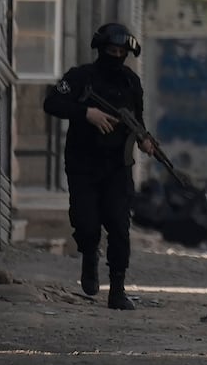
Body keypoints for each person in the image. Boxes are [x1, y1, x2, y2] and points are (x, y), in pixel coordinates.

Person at [43, 22, 155, 311]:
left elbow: (137, 119)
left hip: (117, 166)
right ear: (100, 50)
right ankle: (89, 255)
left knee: (119, 226)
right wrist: (86, 113)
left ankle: (117, 289)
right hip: (83, 164)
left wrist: (143, 139)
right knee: (86, 223)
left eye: (121, 52)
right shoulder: (80, 77)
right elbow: (52, 103)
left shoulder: (131, 82)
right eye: (111, 50)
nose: (116, 56)